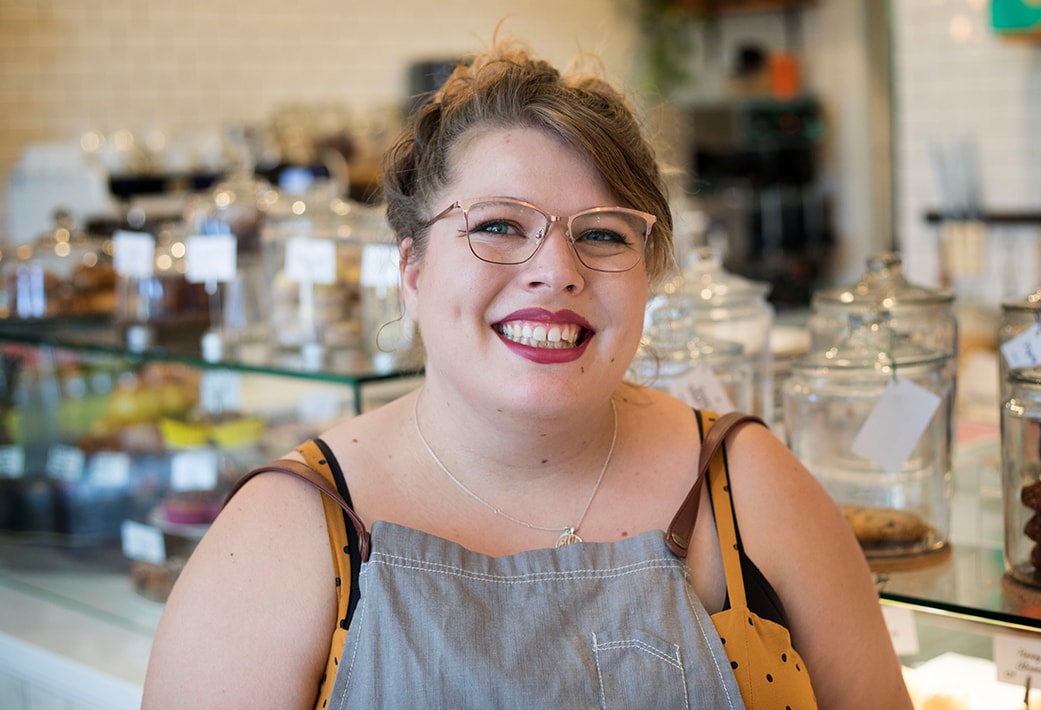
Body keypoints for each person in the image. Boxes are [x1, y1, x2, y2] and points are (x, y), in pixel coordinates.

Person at [142, 37, 912, 709]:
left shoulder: (751, 488)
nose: (555, 271)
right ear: (411, 267)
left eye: (603, 234)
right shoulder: (286, 534)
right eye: (499, 226)